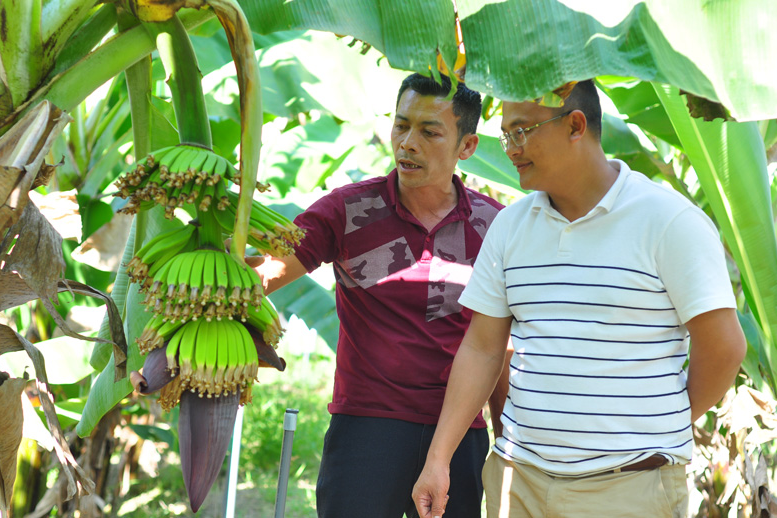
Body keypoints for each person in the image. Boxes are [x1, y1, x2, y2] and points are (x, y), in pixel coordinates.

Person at [412, 80, 747, 518]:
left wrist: (660, 426)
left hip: (629, 489)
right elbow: (481, 347)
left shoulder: (669, 222)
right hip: (518, 481)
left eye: (521, 131)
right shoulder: (511, 226)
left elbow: (724, 346)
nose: (511, 148)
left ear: (575, 125)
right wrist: (438, 459)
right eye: (506, 134)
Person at [254, 73, 506, 517]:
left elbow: (497, 345)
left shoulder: (496, 226)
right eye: (401, 125)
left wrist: (504, 439)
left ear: (466, 146)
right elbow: (265, 276)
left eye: (429, 132)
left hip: (460, 434)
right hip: (367, 430)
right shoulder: (347, 210)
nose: (408, 143)